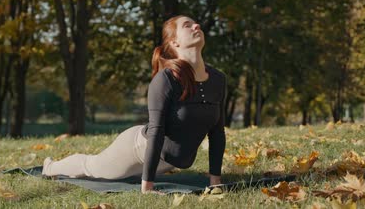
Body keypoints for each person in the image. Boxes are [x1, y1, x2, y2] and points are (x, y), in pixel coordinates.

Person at [42, 15, 227, 193]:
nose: (197, 26)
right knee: (92, 168)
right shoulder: (166, 79)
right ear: (174, 42)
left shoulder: (218, 79)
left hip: (165, 162)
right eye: (187, 25)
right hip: (136, 149)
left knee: (122, 176)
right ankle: (50, 167)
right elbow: (157, 131)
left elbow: (217, 133)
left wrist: (215, 182)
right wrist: (147, 187)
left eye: (196, 24)